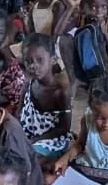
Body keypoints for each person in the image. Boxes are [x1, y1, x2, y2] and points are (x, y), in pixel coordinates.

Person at [19, 33, 73, 164]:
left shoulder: (61, 92)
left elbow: (64, 128)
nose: (33, 66)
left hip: (51, 139)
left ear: (53, 60)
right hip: (29, 134)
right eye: (28, 61)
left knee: (30, 156)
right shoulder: (28, 84)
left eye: (40, 60)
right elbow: (18, 113)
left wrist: (35, 140)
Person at [59, 0, 108, 85]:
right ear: (82, 8)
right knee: (65, 40)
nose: (99, 12)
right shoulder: (80, 19)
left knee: (96, 35)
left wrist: (104, 33)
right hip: (83, 68)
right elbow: (58, 33)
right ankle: (75, 79)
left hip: (104, 70)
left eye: (104, 6)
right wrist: (70, 8)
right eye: (93, 7)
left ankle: (99, 80)